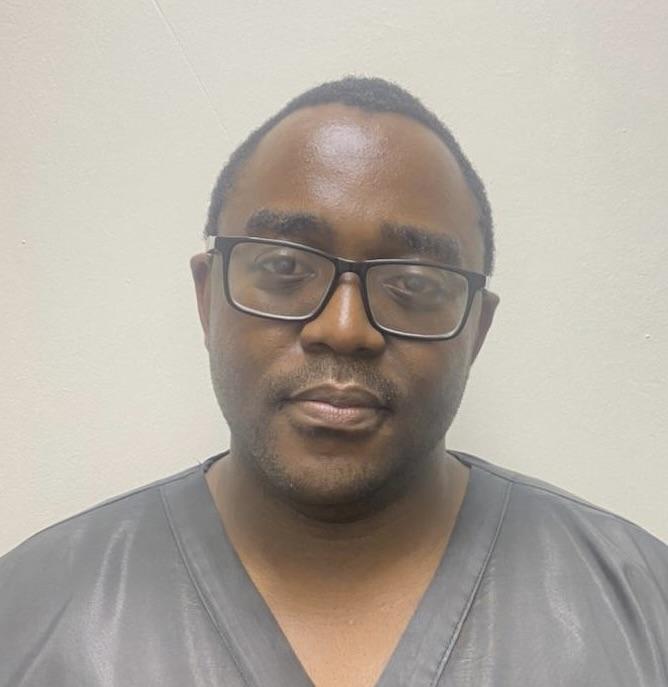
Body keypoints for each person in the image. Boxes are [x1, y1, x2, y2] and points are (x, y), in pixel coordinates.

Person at [1, 77, 666, 687]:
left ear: (476, 331)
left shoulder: (645, 607)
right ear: (207, 298)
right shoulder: (28, 611)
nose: (344, 329)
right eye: (286, 268)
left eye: (414, 284)